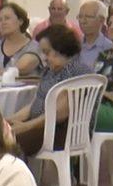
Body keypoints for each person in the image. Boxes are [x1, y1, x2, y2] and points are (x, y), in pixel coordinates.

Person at [9, 25, 94, 156]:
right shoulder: (50, 71)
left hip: (61, 132)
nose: (43, 57)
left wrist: (26, 126)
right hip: (41, 126)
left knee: (6, 143)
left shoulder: (76, 71)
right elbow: (35, 104)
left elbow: (59, 114)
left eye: (47, 52)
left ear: (61, 49)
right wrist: (8, 121)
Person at [0, 3, 42, 78]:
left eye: (7, 18)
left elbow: (21, 68)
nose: (3, 23)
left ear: (20, 21)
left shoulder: (35, 47)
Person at [74, 0, 113, 68]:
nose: (83, 21)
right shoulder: (74, 45)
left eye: (88, 17)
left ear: (102, 20)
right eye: (80, 17)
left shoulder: (109, 48)